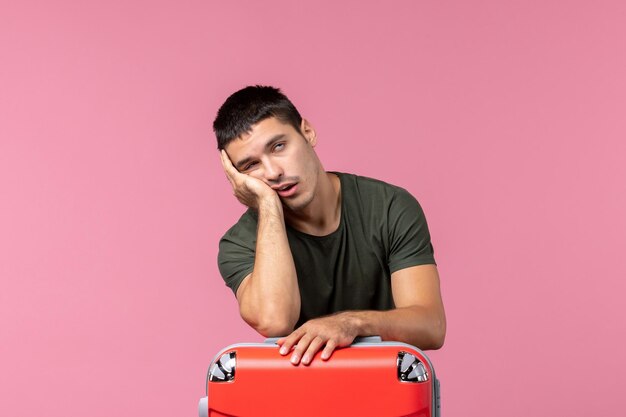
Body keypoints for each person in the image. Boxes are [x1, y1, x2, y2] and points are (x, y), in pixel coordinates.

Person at [214, 85, 446, 366]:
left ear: (307, 132)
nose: (273, 172)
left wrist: (351, 324)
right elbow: (275, 320)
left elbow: (431, 326)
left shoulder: (388, 207)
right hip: (299, 399)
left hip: (386, 391)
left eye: (279, 146)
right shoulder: (239, 243)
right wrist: (267, 204)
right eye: (251, 165)